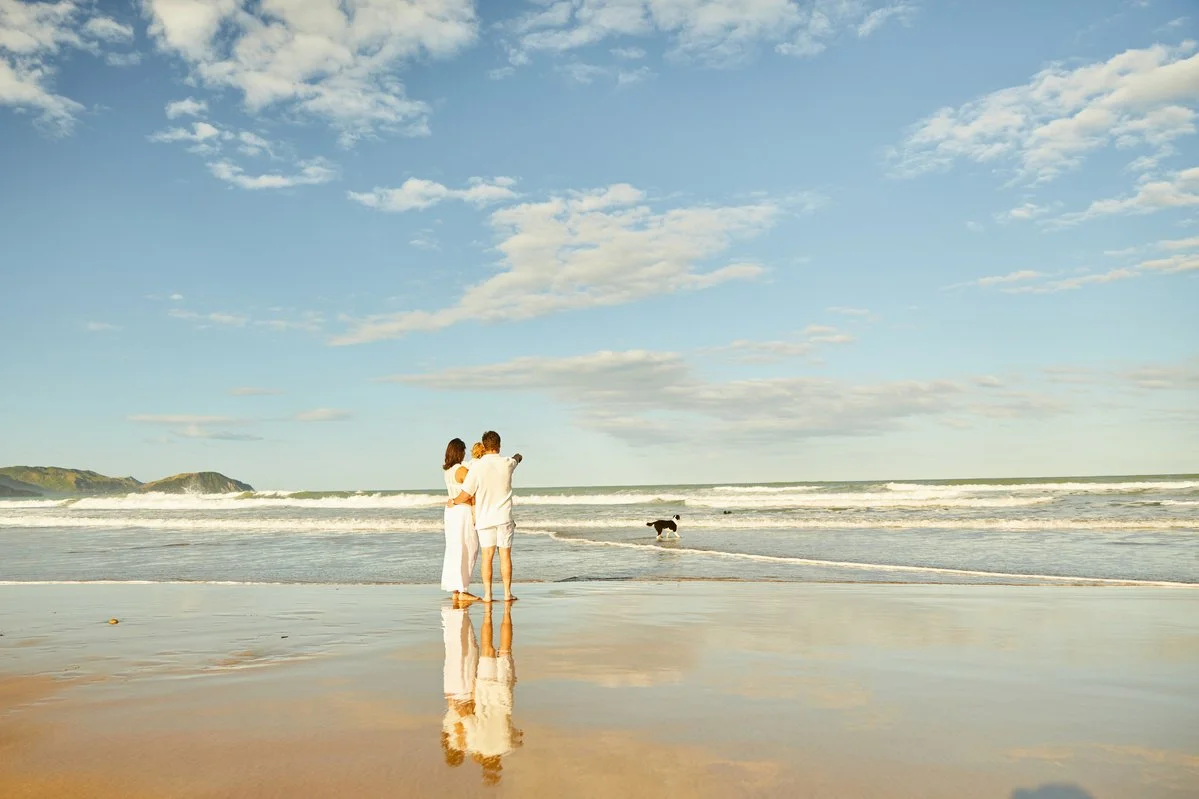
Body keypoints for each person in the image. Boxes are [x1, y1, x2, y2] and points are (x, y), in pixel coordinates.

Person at [450, 430, 522, 603]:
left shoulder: (477, 467)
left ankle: (488, 595)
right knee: (505, 555)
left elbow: (466, 493)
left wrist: (453, 501)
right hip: (504, 517)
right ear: (499, 445)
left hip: (485, 519)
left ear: (484, 446)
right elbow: (517, 459)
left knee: (487, 556)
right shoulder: (507, 462)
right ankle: (507, 594)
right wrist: (519, 456)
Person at [463, 602, 522, 785]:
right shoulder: (475, 745)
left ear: (498, 765)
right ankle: (488, 613)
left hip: (503, 692)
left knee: (505, 649)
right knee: (487, 648)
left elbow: (519, 736)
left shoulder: (507, 748)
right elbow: (467, 717)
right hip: (485, 690)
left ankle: (499, 612)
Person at [441, 596, 478, 768]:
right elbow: (454, 711)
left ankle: (460, 617)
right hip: (452, 690)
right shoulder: (449, 733)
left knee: (465, 654)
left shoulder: (459, 741)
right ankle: (459, 617)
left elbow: (462, 714)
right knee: (459, 654)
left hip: (461, 693)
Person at [440, 438, 479, 601]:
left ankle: (456, 590)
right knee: (469, 547)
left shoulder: (447, 471)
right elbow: (469, 492)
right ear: (459, 452)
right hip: (462, 511)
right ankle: (462, 590)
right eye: (463, 451)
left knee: (455, 549)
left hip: (451, 512)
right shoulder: (462, 470)